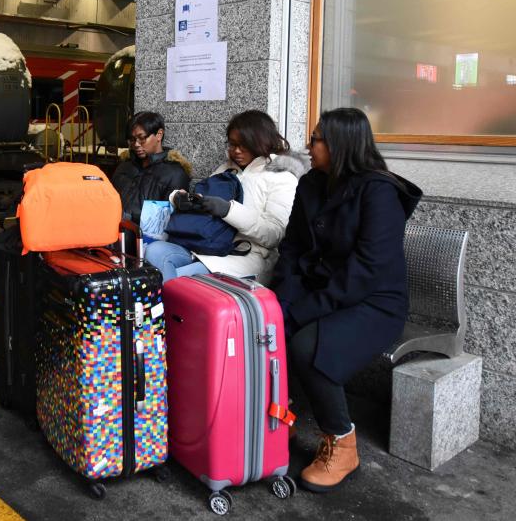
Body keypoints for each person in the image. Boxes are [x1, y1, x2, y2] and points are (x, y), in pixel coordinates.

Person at [270, 107, 422, 493]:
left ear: (341, 145)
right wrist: (284, 297)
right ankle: (277, 420)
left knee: (307, 347)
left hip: (374, 302)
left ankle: (342, 443)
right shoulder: (311, 184)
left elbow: (366, 271)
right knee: (269, 325)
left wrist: (305, 308)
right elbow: (292, 247)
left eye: (318, 138)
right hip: (323, 289)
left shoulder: (379, 192)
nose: (309, 143)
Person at [144, 110, 307, 284]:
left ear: (261, 141)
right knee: (154, 252)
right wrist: (178, 198)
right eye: (232, 144)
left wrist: (229, 211)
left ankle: (164, 306)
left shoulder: (281, 177)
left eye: (243, 144)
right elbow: (202, 199)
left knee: (180, 280)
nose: (236, 151)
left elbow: (274, 234)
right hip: (207, 245)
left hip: (247, 255)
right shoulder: (225, 169)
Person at [111, 111, 191, 225]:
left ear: (159, 134)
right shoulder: (124, 166)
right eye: (132, 139)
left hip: (147, 238)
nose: (136, 144)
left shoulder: (175, 173)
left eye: (142, 138)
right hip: (113, 230)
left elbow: (170, 220)